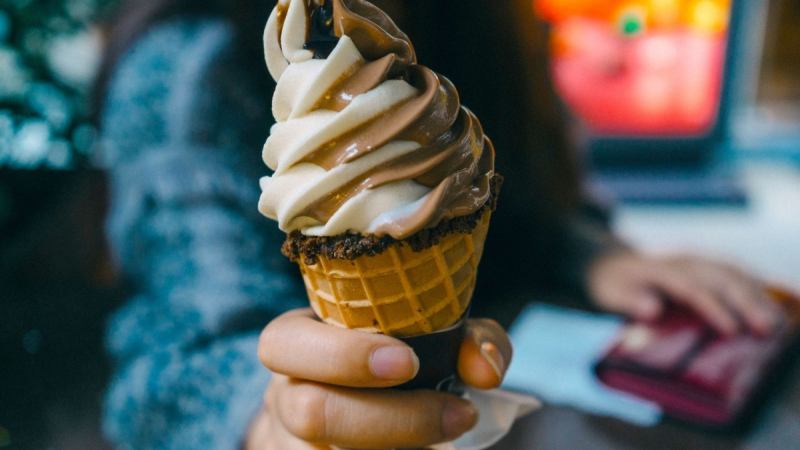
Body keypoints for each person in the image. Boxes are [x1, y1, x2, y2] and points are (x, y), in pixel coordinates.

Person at [96, 0, 784, 448]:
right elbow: (176, 354)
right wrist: (271, 416)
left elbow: (527, 204)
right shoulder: (187, 70)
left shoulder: (489, 22)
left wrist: (592, 254)